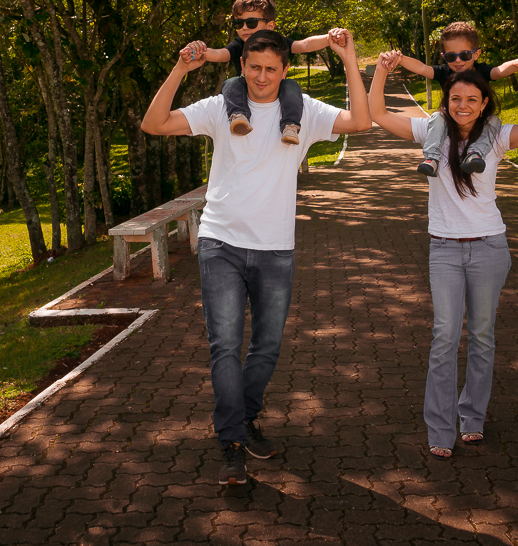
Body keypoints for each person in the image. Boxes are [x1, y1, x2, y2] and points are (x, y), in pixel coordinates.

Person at [142, 28, 370, 485]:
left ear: (285, 70)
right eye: (253, 67)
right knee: (224, 347)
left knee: (266, 348)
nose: (261, 77)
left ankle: (244, 419)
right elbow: (154, 124)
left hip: (275, 249)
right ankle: (231, 442)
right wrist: (180, 69)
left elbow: (361, 123)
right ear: (242, 66)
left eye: (271, 69)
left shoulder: (303, 111)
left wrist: (349, 59)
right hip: (220, 242)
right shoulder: (221, 107)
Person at [368, 49, 518, 458]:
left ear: (485, 101)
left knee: (483, 337)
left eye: (472, 99)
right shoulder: (430, 132)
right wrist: (381, 72)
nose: (463, 105)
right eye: (456, 99)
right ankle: (439, 427)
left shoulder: (498, 136)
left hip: (490, 246)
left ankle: (471, 417)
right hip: (445, 249)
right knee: (444, 337)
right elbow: (380, 115)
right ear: (446, 101)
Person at [183, 0, 347, 145]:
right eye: (238, 23)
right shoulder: (239, 44)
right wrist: (198, 52)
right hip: (245, 87)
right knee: (231, 82)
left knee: (292, 86)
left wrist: (329, 38)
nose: (244, 28)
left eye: (251, 22)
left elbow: (305, 44)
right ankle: (239, 117)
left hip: (275, 87)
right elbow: (220, 54)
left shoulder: (277, 42)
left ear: (270, 26)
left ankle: (290, 126)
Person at [380, 21, 518, 177]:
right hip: (451, 118)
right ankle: (432, 158)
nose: (458, 60)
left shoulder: (482, 70)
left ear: (476, 54)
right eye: (450, 56)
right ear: (443, 57)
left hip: (479, 120)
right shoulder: (444, 71)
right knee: (438, 116)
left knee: (494, 121)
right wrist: (399, 59)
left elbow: (500, 71)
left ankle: (475, 155)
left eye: (465, 55)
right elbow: (421, 68)